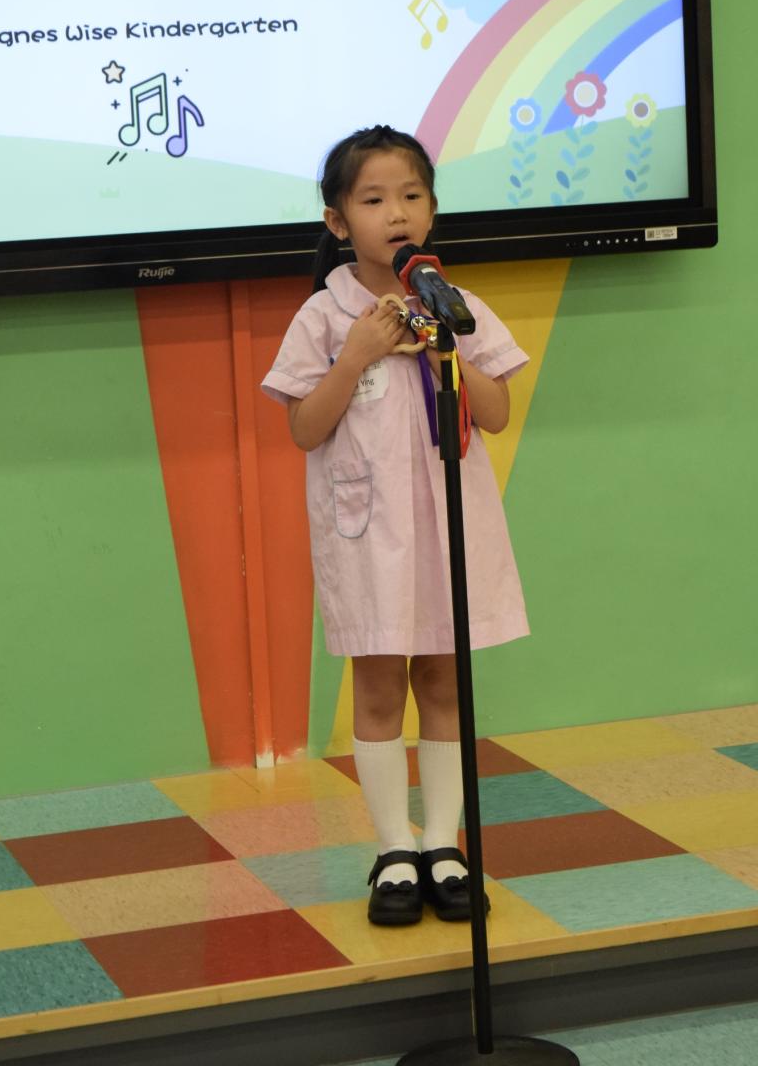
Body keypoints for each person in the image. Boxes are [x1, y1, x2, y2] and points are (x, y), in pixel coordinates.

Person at [261, 125, 529, 925]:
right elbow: (304, 429)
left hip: (447, 529)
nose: (397, 213)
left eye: (412, 195)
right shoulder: (324, 315)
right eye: (374, 199)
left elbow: (497, 412)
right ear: (338, 221)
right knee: (379, 685)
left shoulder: (457, 304)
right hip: (368, 536)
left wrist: (447, 352)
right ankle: (393, 851)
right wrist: (357, 355)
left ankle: (442, 843)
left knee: (443, 681)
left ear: (433, 211)